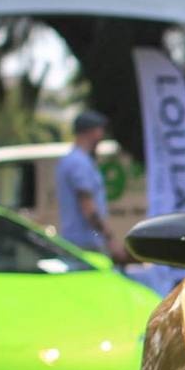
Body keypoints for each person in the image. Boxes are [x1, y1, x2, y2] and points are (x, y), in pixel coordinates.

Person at [57, 110, 125, 260]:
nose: (102, 135)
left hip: (80, 240)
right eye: (100, 130)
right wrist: (110, 239)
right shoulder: (79, 163)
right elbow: (88, 206)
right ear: (90, 132)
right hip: (86, 243)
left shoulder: (75, 160)